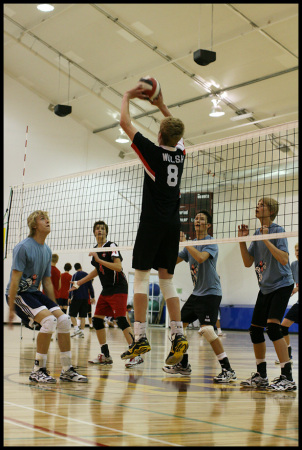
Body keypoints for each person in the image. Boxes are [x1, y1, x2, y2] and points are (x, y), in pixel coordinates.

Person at [119, 84, 188, 365]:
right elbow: (178, 135)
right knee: (167, 280)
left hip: (151, 223)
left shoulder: (153, 153)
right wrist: (162, 105)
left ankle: (140, 337)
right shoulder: (179, 155)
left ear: (159, 135)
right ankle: (178, 332)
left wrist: (127, 95)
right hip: (173, 224)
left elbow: (125, 122)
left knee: (140, 277)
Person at [6, 210, 87, 383]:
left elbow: (47, 282)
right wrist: (11, 310)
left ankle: (67, 370)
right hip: (18, 294)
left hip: (34, 293)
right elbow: (14, 280)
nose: (47, 221)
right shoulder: (23, 247)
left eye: (48, 218)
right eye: (42, 219)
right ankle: (38, 370)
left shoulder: (47, 251)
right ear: (34, 225)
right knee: (49, 321)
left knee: (63, 320)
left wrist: (54, 306)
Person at [163, 211, 236, 383]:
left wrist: (185, 243)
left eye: (201, 219)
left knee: (207, 330)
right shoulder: (191, 244)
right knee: (178, 328)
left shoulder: (210, 243)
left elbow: (201, 258)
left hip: (211, 293)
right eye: (196, 218)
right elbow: (172, 262)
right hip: (196, 294)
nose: (197, 220)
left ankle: (228, 370)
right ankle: (184, 365)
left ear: (208, 225)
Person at [238, 197, 296, 391]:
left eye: (262, 204)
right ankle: (261, 376)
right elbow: (248, 262)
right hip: (265, 287)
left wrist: (266, 239)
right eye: (258, 204)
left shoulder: (277, 231)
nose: (258, 206)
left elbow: (283, 259)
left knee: (272, 328)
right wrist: (242, 241)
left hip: (282, 284)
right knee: (255, 330)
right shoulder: (256, 233)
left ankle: (287, 377)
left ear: (270, 211)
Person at [70, 220, 143, 368]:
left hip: (118, 287)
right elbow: (97, 270)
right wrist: (80, 283)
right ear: (94, 232)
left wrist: (99, 260)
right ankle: (106, 355)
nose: (100, 231)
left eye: (102, 229)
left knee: (121, 320)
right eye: (97, 228)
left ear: (106, 232)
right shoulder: (95, 249)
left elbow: (118, 266)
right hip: (107, 289)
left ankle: (136, 354)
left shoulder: (111, 246)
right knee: (96, 320)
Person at [275, 242, 299, 364]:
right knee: (283, 327)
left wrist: (295, 289)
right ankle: (287, 355)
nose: (298, 252)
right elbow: (289, 279)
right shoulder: (294, 265)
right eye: (297, 250)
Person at [69, 263, 95, 338]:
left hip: (77, 297)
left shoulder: (75, 275)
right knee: (83, 316)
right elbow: (91, 287)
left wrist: (69, 297)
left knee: (72, 315)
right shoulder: (87, 275)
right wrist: (92, 297)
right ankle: (82, 332)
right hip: (85, 298)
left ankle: (76, 329)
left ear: (75, 268)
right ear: (81, 267)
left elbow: (72, 286)